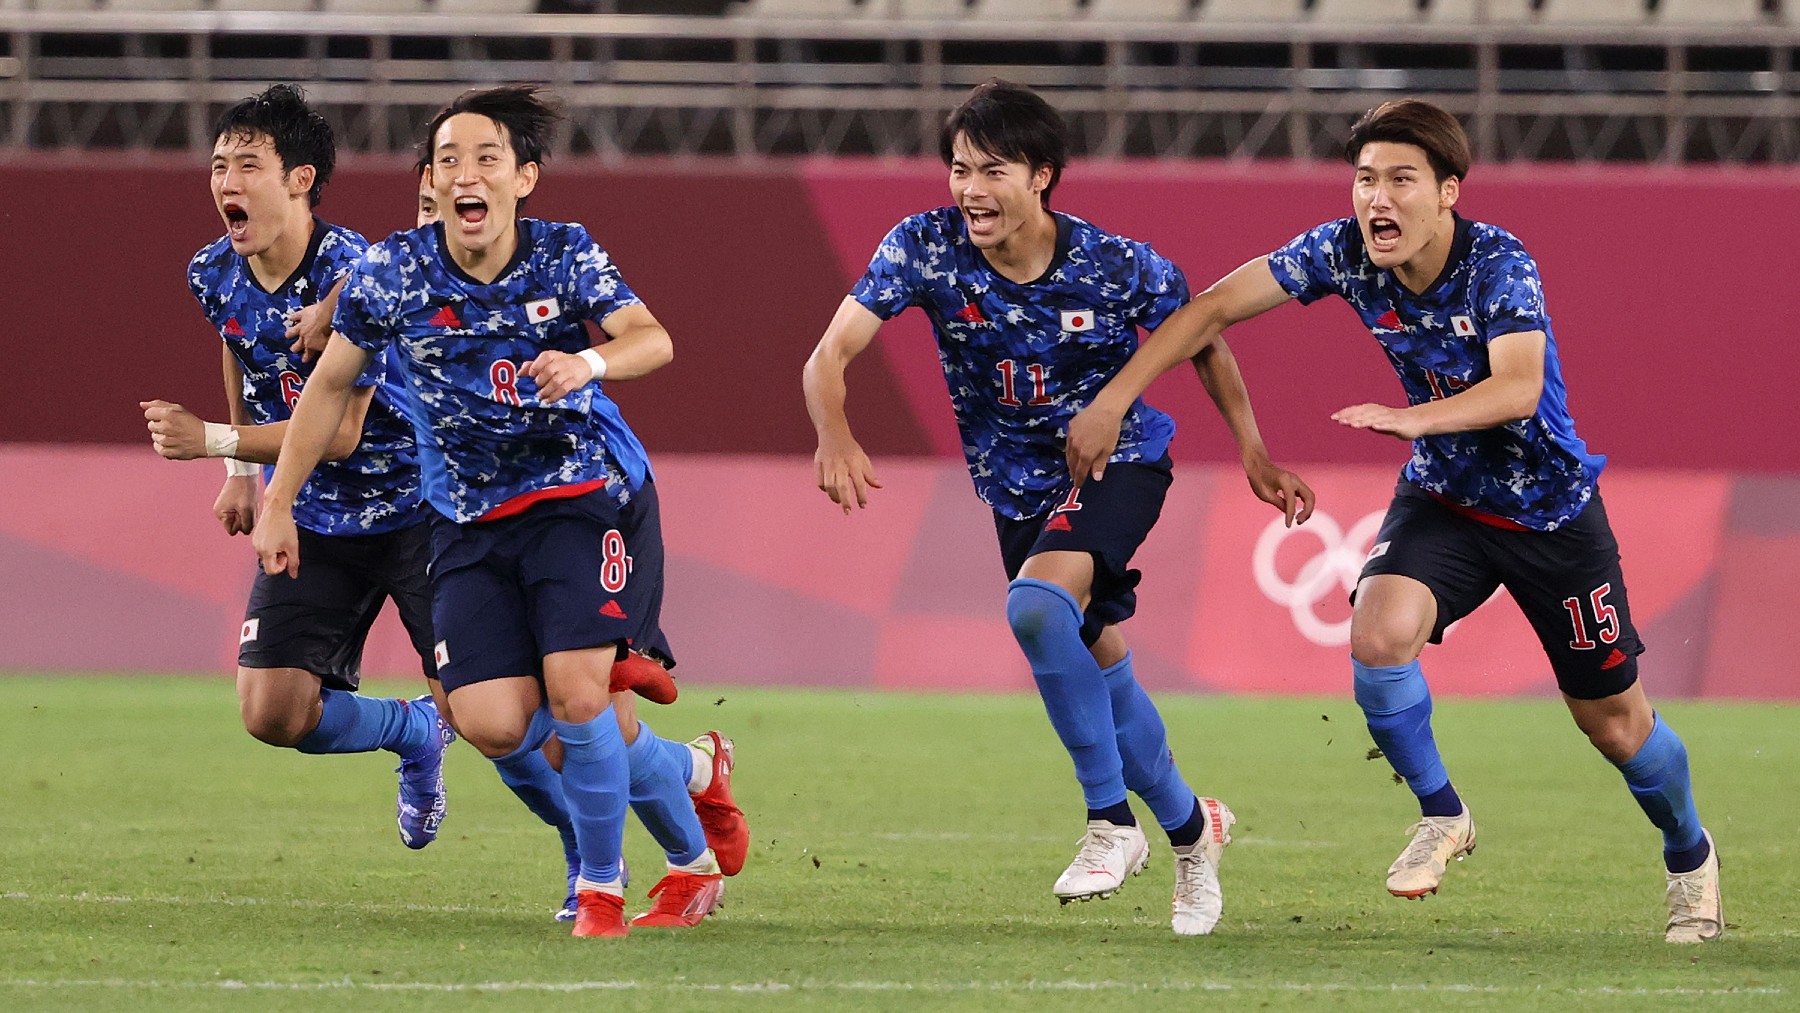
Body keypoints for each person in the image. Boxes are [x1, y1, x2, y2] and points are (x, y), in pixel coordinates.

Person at [1065, 98, 1721, 944]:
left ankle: (1689, 855)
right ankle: (1442, 813)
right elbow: (1211, 310)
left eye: (1401, 180)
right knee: (1377, 635)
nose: (1378, 198)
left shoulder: (1499, 264)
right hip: (1445, 501)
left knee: (1615, 723)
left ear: (1448, 191)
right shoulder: (1342, 252)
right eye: (1365, 179)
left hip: (1549, 513)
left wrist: (1418, 418)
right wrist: (1118, 396)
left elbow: (1519, 387)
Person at [802, 79, 1313, 937]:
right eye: (959, 169)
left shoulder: (1117, 265)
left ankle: (1110, 821)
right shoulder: (924, 248)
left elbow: (1204, 343)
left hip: (1122, 462)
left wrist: (1252, 450)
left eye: (991, 170)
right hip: (1017, 492)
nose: (969, 190)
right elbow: (830, 353)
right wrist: (834, 431)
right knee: (1098, 661)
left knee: (1037, 608)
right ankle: (1194, 832)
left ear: (1042, 176)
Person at [255, 85, 744, 938]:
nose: (463, 175)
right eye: (447, 162)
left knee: (580, 700)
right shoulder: (394, 273)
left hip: (581, 500)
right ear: (430, 187)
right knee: (492, 720)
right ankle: (696, 771)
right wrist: (275, 503)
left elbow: (653, 338)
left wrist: (587, 363)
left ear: (525, 178)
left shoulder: (564, 256)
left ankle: (609, 883)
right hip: (466, 525)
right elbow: (329, 386)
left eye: (485, 158)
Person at [139, 84, 454, 851]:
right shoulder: (212, 271)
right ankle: (412, 730)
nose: (226, 183)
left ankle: (609, 852)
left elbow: (342, 432)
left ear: (300, 178)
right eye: (218, 166)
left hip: (416, 510)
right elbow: (237, 341)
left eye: (248, 165)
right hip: (316, 516)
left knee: (489, 714)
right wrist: (239, 474)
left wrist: (213, 442)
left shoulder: (361, 271)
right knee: (270, 711)